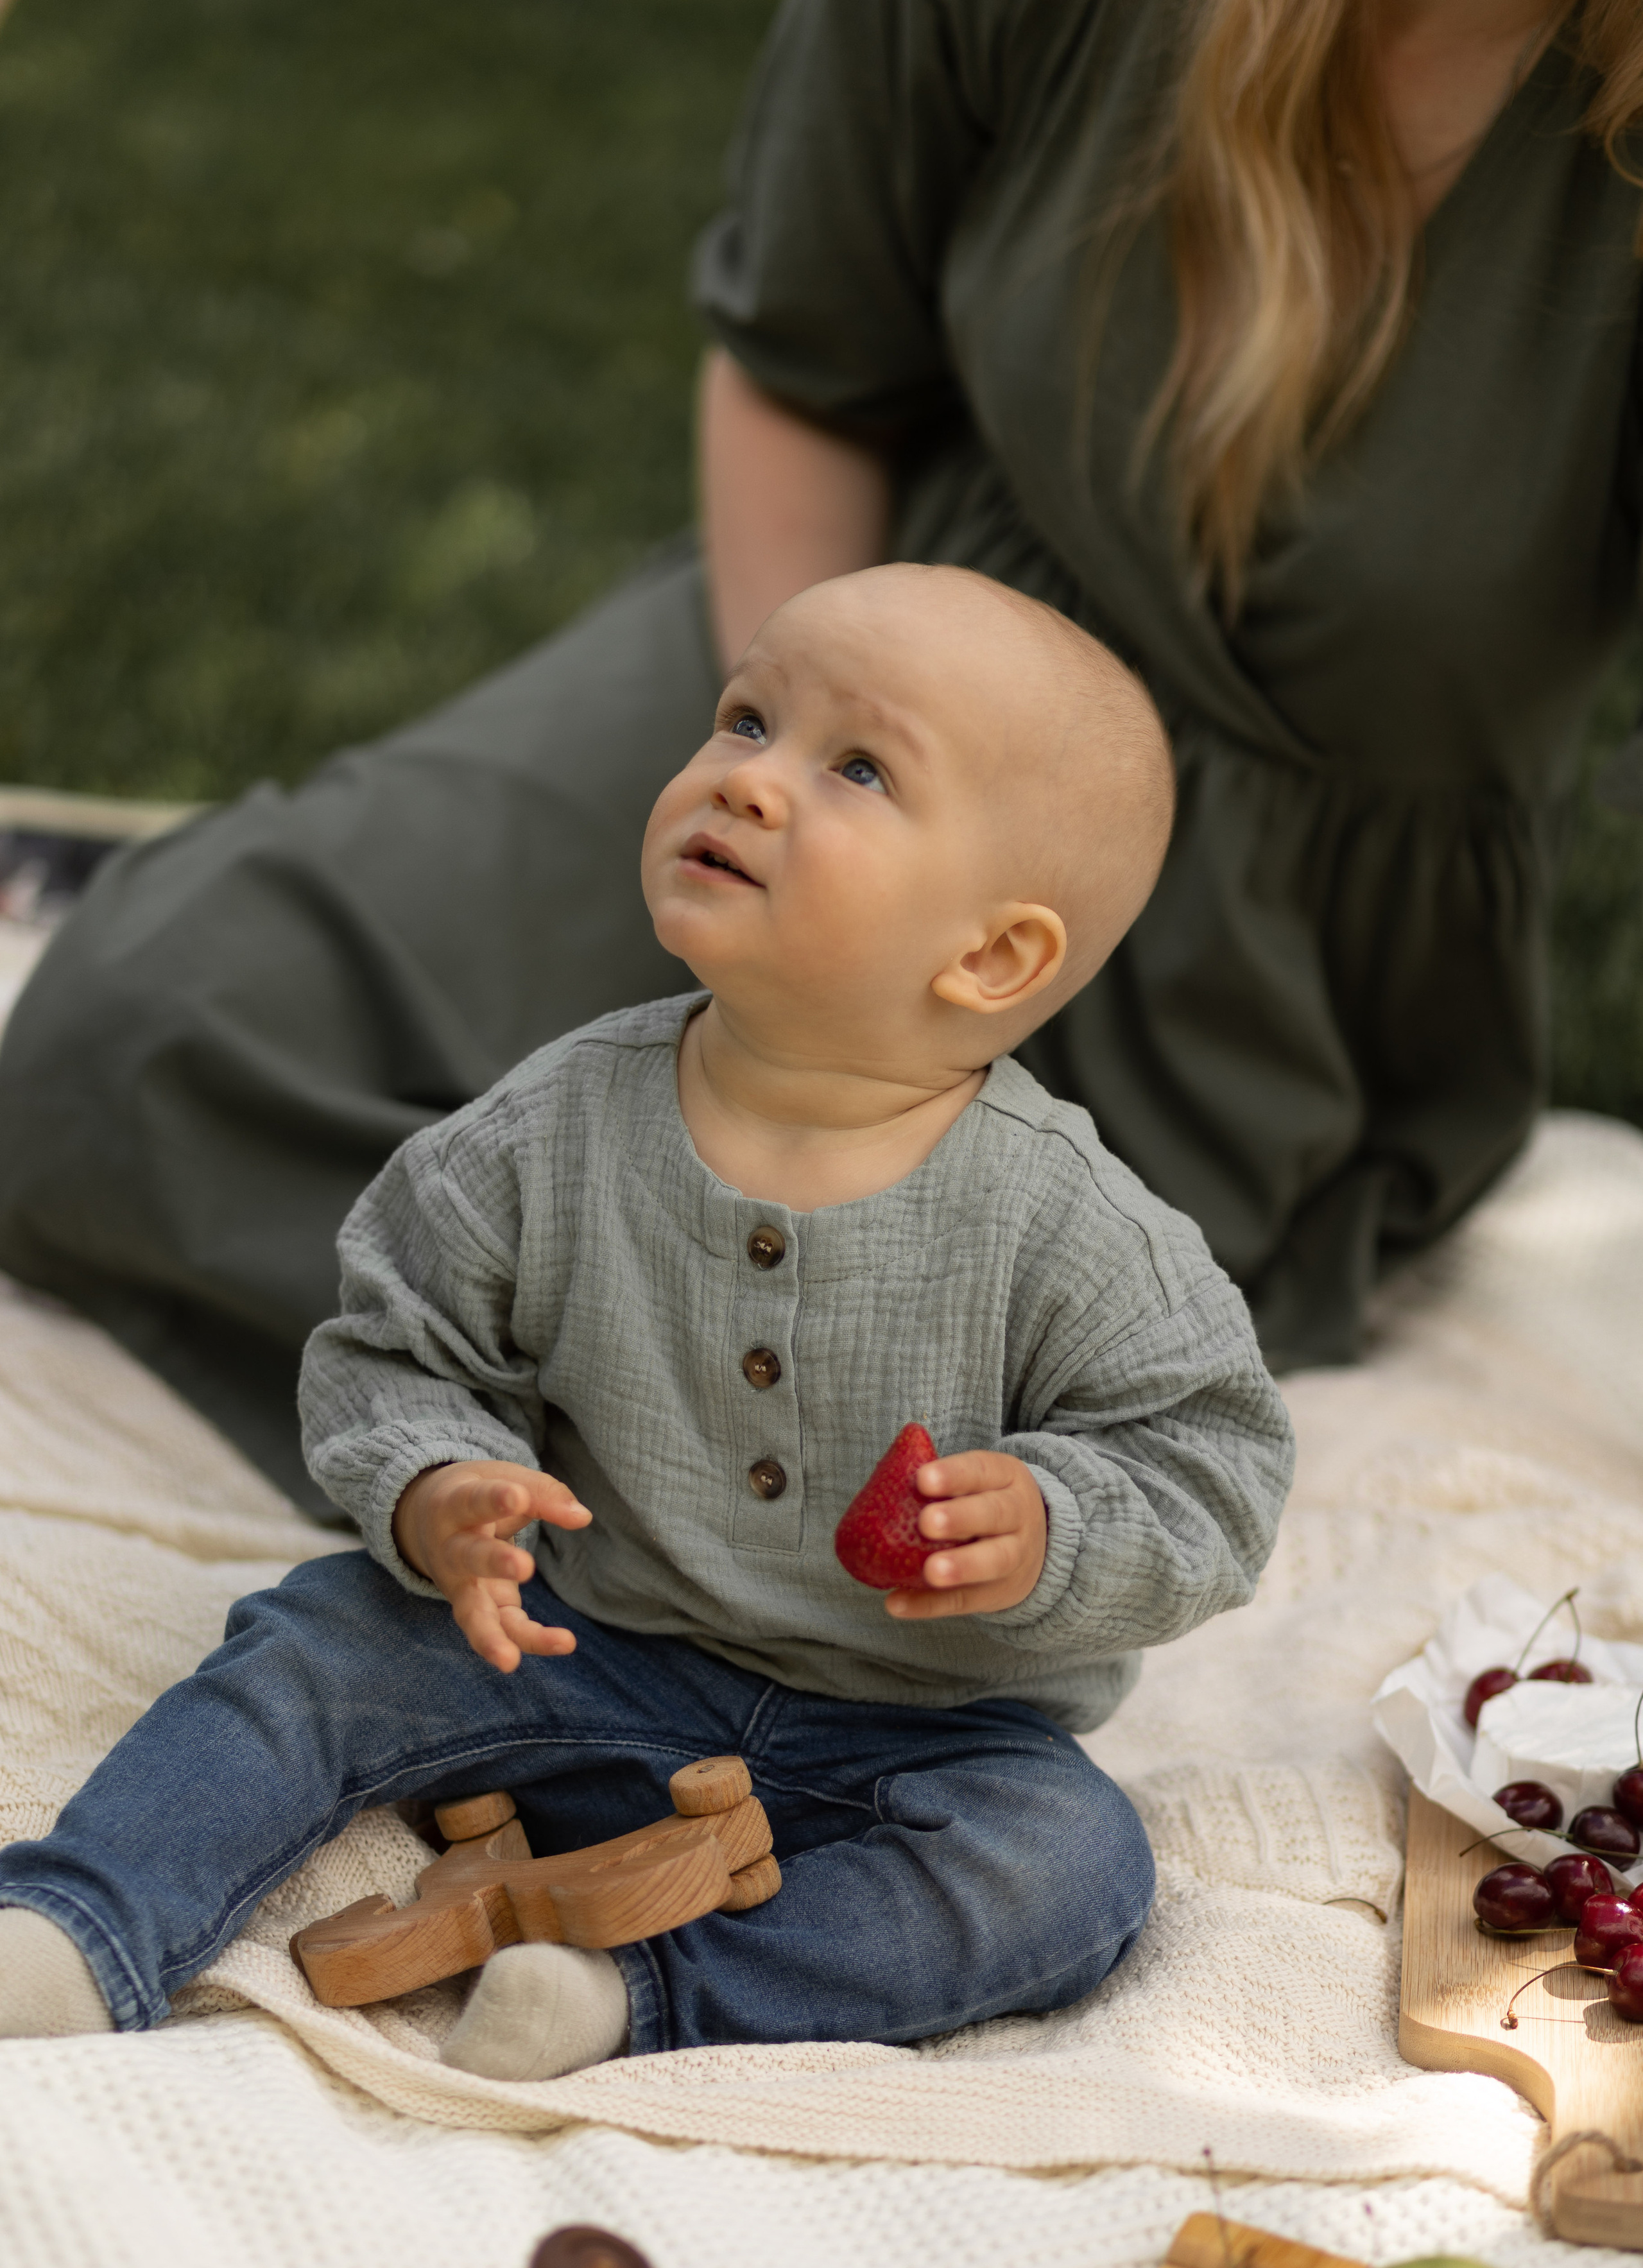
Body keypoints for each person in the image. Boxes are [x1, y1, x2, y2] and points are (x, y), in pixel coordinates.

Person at [0, 0, 1636, 1515]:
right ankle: (580, 1439)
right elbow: (806, 363)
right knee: (122, 1041)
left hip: (1257, 933)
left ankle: (663, 1472)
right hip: (854, 639)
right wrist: (787, 773)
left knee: (935, 1381)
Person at [0, 566, 1293, 2077]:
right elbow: (393, 1346)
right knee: (320, 1639)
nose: (747, 779)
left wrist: (1053, 1525)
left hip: (921, 1729)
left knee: (1068, 1866)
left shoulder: (1069, 1226)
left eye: (855, 767)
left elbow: (1212, 1468)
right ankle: (80, 1925)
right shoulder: (552, 1125)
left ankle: (641, 1996)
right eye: (745, 717)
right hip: (576, 1635)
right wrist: (437, 1490)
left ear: (991, 956)